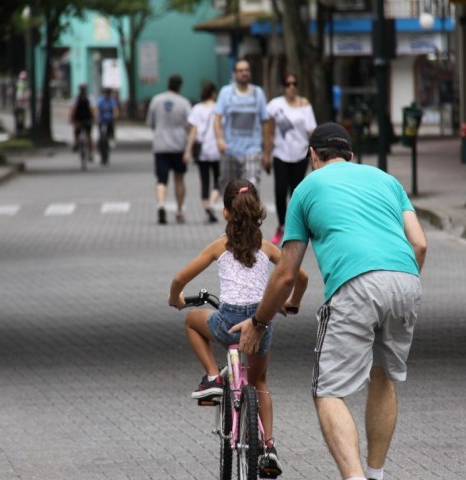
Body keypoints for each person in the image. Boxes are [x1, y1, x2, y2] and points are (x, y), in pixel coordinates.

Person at [234, 123, 428, 480]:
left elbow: (286, 273)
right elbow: (420, 244)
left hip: (355, 284)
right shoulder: (387, 180)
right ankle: (375, 475)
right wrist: (397, 283)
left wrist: (259, 322)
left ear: (312, 156)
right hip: (406, 280)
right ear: (352, 157)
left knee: (328, 391)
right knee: (383, 378)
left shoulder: (306, 189)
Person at [168, 178, 308, 478]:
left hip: (228, 322)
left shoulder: (220, 245)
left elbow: (179, 279)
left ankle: (213, 377)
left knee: (192, 322)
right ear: (257, 211)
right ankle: (268, 447)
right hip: (260, 321)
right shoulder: (267, 247)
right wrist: (290, 303)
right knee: (260, 383)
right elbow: (302, 276)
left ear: (225, 213)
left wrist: (176, 299)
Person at [266, 72, 317, 245]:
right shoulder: (275, 105)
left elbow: (311, 131)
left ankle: (294, 230)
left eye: (294, 84)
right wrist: (266, 154)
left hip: (299, 155)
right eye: (288, 84)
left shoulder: (305, 106)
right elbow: (269, 129)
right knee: (280, 192)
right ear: (283, 87)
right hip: (280, 154)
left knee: (295, 194)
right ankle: (281, 225)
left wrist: (315, 155)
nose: (292, 87)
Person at [214, 59, 270, 194]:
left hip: (252, 150)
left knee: (251, 188)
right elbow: (217, 119)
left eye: (246, 70)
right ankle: (233, 215)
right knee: (229, 190)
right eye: (240, 70)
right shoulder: (226, 93)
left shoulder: (258, 93)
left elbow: (266, 123)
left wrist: (267, 153)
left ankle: (248, 214)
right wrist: (220, 140)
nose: (244, 73)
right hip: (230, 150)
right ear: (234, 74)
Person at [146, 74, 191, 224]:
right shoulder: (184, 103)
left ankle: (161, 205)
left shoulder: (156, 100)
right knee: (179, 179)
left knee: (161, 179)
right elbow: (189, 125)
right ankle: (179, 211)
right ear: (180, 86)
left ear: (168, 84)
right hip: (179, 145)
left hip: (161, 146)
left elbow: (150, 123)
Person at [184, 81, 221, 223]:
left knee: (204, 180)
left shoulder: (197, 109)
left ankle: (206, 206)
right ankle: (212, 203)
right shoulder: (218, 108)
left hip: (201, 150)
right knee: (218, 179)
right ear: (213, 93)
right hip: (216, 149)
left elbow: (192, 131)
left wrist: (187, 150)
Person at [69, 84, 96, 159]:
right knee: (87, 135)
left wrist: (71, 119)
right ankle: (89, 152)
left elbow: (73, 110)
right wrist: (94, 118)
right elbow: (92, 109)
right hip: (86, 118)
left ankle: (77, 144)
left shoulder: (77, 98)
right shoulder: (89, 97)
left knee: (82, 133)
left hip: (80, 118)